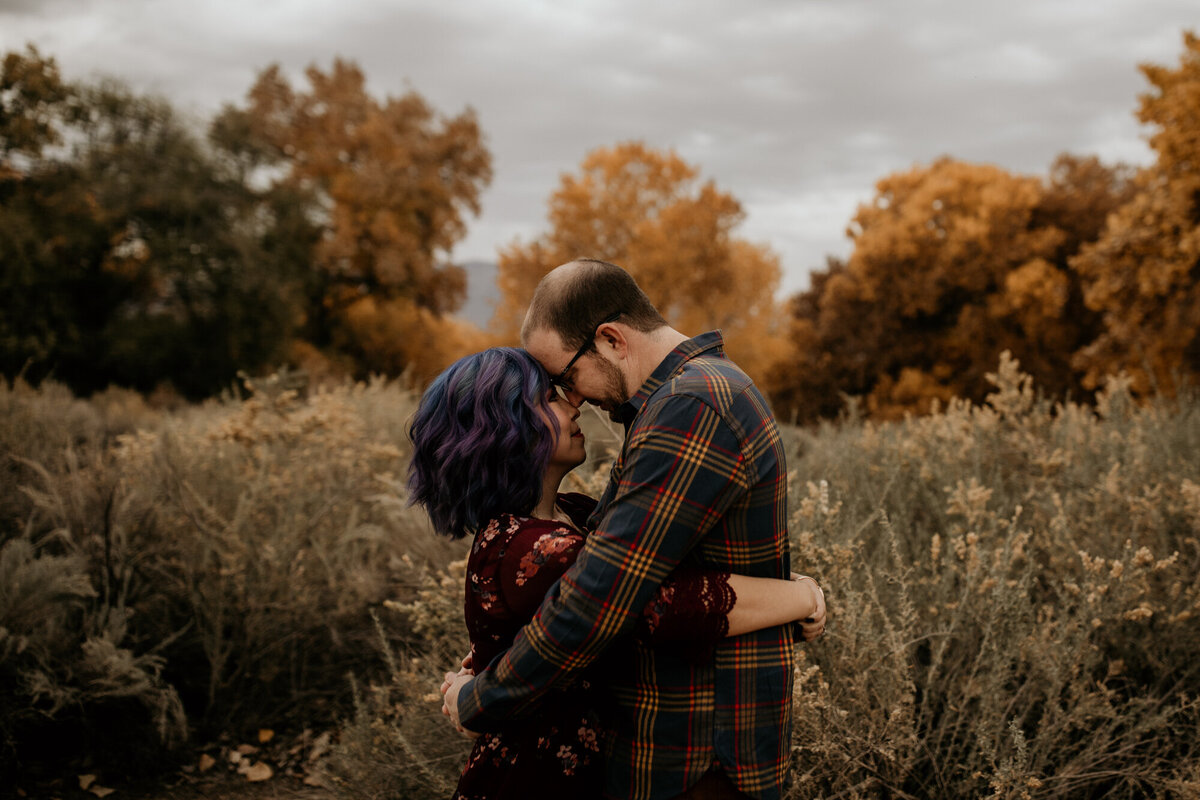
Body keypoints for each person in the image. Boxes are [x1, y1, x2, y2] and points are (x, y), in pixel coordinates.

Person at [443, 259, 813, 800]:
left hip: (695, 751)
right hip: (680, 743)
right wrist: (796, 595)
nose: (575, 397)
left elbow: (600, 597)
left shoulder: (693, 404)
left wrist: (481, 701)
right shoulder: (679, 400)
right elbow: (645, 573)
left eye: (566, 377)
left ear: (612, 340)